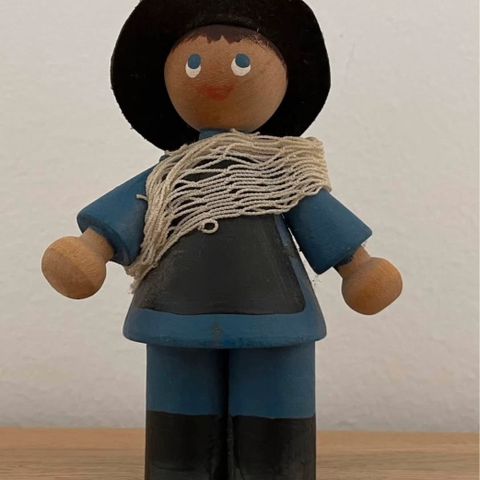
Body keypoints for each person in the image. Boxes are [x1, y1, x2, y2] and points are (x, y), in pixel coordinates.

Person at [42, 1, 402, 479]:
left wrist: (359, 267)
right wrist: (89, 249)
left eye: (243, 62)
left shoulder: (282, 174)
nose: (216, 76)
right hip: (179, 315)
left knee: (275, 410)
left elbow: (319, 217)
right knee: (181, 418)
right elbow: (124, 216)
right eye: (192, 63)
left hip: (273, 317)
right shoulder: (169, 177)